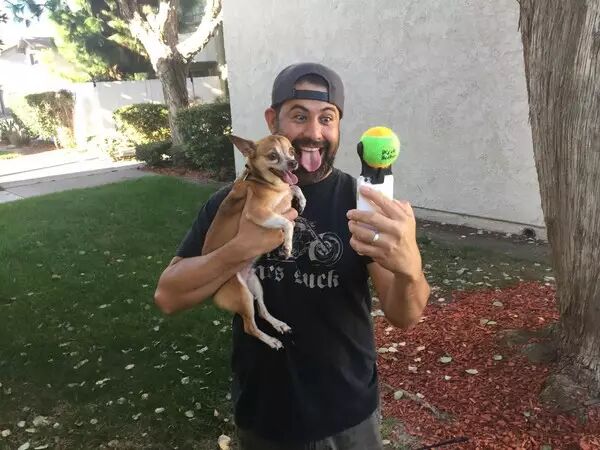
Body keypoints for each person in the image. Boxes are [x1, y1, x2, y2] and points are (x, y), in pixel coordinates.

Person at [154, 62, 430, 450]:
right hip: (264, 418)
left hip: (348, 418)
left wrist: (410, 269)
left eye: (327, 118)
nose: (314, 133)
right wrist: (240, 248)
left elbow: (405, 316)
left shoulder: (361, 203)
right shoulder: (232, 202)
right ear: (273, 121)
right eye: (299, 117)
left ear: (338, 126)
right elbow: (168, 296)